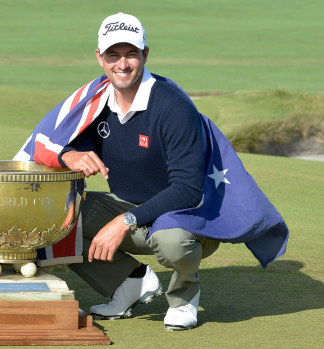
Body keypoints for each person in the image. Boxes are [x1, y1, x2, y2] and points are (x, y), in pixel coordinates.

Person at [16, 12, 285, 331]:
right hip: (129, 205)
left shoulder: (173, 107)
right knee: (56, 215)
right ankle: (129, 283)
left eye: (131, 54)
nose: (122, 64)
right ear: (99, 58)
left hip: (189, 215)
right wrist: (70, 155)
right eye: (113, 55)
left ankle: (185, 296)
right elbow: (58, 143)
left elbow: (187, 189)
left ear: (145, 54)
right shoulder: (95, 103)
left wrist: (122, 222)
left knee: (170, 239)